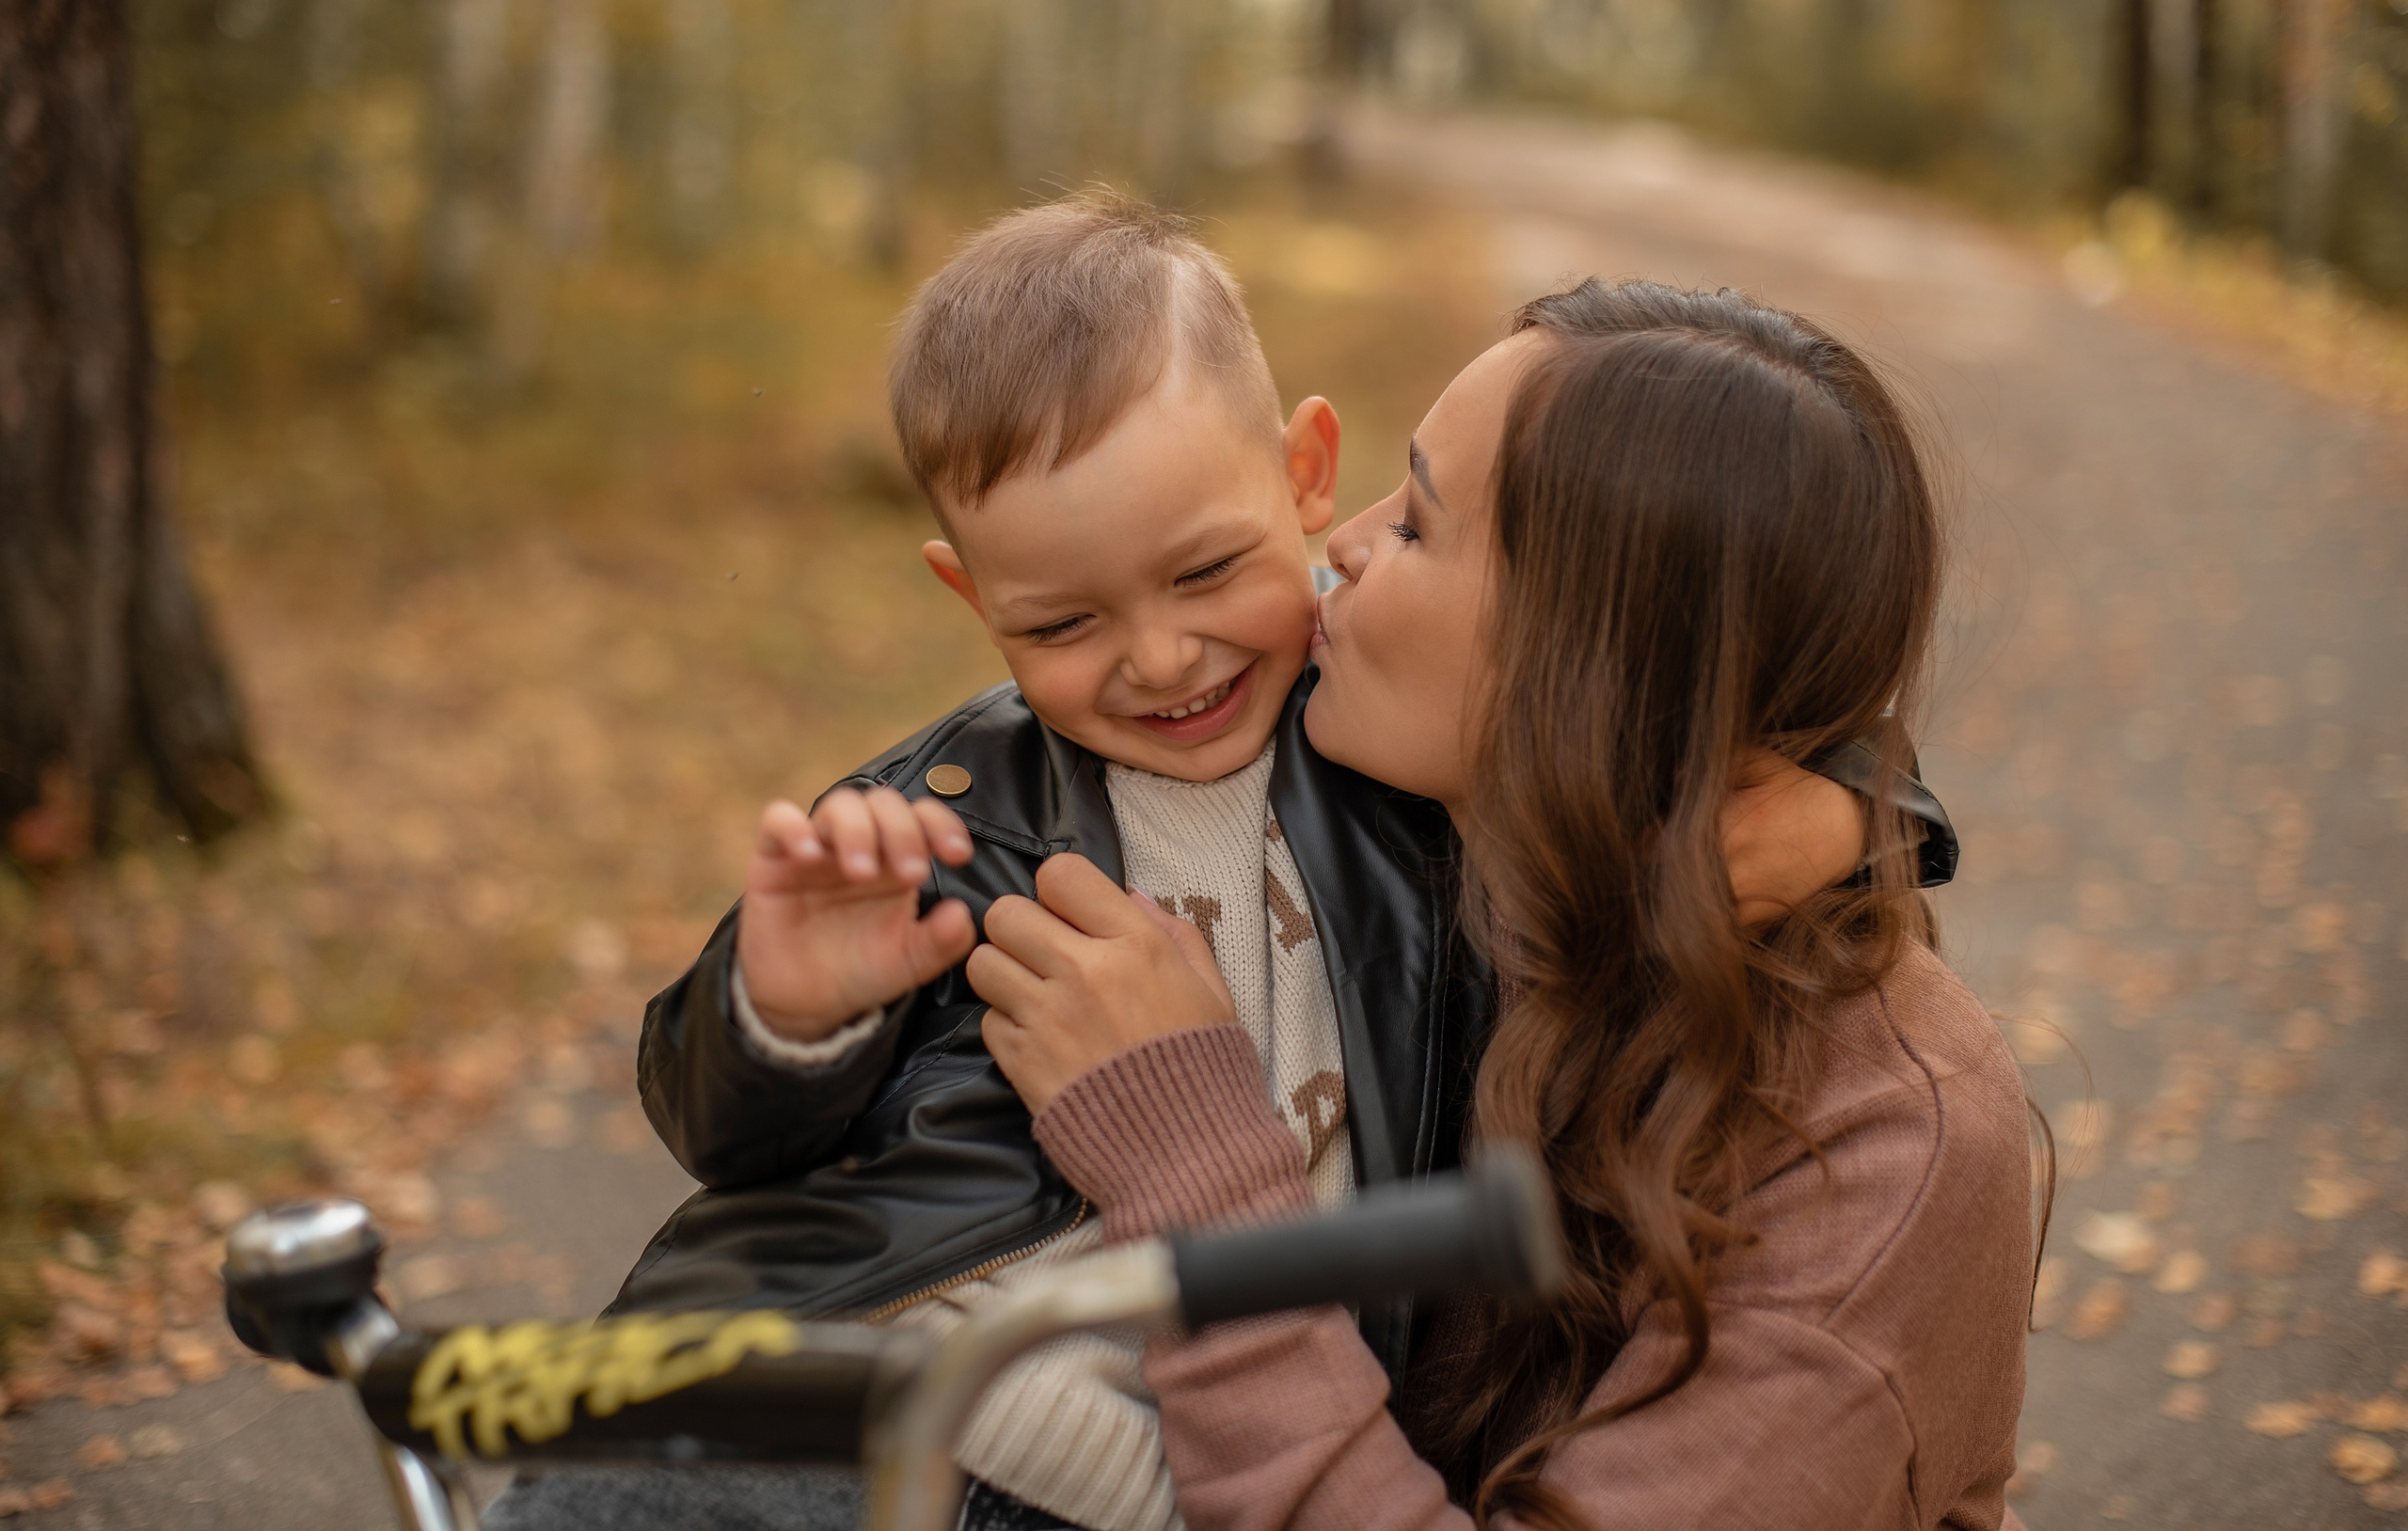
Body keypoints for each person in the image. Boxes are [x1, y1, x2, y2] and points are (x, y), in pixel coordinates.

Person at [487, 200, 1956, 1531]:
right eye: (1061, 625)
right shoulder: (957, 815)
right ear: (975, 598)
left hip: (1154, 1471)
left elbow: (1717, 691)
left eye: (1204, 574)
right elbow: (726, 1133)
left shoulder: (1405, 767)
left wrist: (1848, 819)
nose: (1162, 656)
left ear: (1301, 474)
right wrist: (782, 1016)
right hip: (850, 1381)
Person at [962, 280, 2036, 1531]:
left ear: (1582, 662)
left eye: (1416, 523)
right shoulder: (1444, 837)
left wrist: (1201, 1176)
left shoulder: (1888, 1141)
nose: (1344, 544)